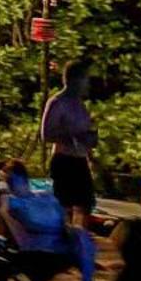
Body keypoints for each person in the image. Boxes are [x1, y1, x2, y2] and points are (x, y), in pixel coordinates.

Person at [0, 158, 97, 281]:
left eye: (12, 180)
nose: (10, 185)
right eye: (8, 181)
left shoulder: (44, 196)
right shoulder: (10, 202)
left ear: (23, 178)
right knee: (74, 239)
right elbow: (32, 224)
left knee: (81, 234)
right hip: (33, 250)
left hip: (57, 245)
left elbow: (61, 218)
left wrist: (68, 229)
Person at [40, 58, 97, 228]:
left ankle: (79, 240)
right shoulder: (58, 102)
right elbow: (46, 134)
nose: (88, 83)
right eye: (85, 79)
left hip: (80, 160)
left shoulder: (80, 104)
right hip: (64, 160)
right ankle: (63, 241)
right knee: (64, 206)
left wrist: (90, 140)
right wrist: (72, 137)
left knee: (86, 204)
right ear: (76, 80)